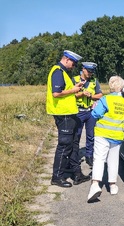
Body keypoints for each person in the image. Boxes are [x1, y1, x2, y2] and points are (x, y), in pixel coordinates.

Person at [46, 50, 90, 188]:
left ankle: (76, 173)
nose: (74, 66)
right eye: (73, 63)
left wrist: (76, 88)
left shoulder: (64, 73)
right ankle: (57, 177)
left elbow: (66, 93)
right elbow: (56, 93)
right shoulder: (58, 71)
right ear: (66, 59)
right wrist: (74, 90)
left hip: (69, 113)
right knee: (64, 145)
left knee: (72, 143)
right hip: (63, 114)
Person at [87, 76, 124, 202]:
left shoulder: (105, 99)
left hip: (102, 134)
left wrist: (95, 108)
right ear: (122, 88)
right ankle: (112, 185)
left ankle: (95, 184)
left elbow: (95, 114)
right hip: (117, 135)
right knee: (113, 160)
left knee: (99, 159)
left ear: (110, 86)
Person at [72, 62, 103, 167]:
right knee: (76, 135)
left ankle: (89, 155)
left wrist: (91, 96)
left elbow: (100, 95)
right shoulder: (75, 80)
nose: (90, 73)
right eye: (89, 71)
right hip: (78, 112)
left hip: (90, 111)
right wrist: (81, 94)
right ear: (83, 69)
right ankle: (74, 157)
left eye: (92, 72)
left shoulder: (94, 81)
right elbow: (69, 95)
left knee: (91, 135)